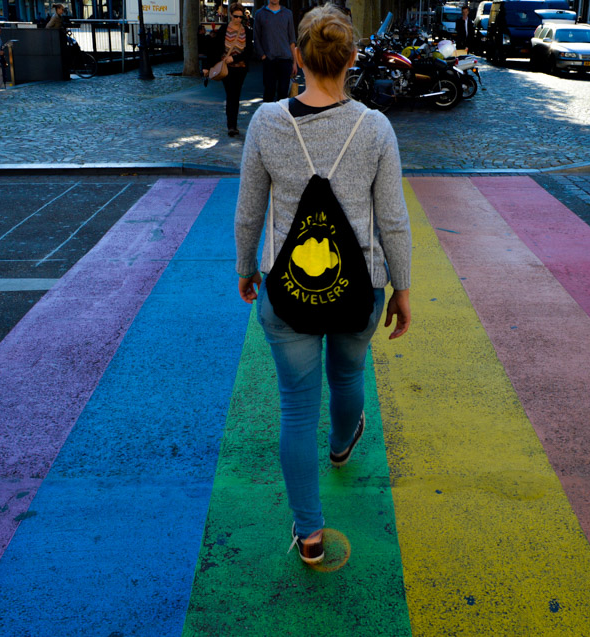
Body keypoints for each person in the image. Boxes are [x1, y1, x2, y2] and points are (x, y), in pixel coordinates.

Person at [234, 4, 412, 565]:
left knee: (294, 407)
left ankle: (308, 531)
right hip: (360, 286)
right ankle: (341, 445)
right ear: (352, 57)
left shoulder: (265, 122)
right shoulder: (376, 127)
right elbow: (394, 220)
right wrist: (402, 287)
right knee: (349, 373)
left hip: (287, 292)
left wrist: (247, 268)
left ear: (297, 56)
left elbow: (248, 212)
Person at [206, 3, 253, 136]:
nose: (238, 19)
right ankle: (231, 125)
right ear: (230, 15)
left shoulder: (247, 31)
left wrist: (235, 59)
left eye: (240, 17)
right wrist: (208, 67)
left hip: (240, 68)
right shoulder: (223, 30)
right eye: (235, 16)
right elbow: (215, 48)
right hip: (226, 68)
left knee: (235, 95)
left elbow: (249, 51)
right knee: (230, 94)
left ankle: (233, 124)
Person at [253, 0, 297, 102]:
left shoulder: (288, 13)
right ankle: (267, 117)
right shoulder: (260, 14)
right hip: (269, 59)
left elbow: (292, 39)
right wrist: (263, 56)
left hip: (285, 59)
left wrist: (294, 62)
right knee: (269, 92)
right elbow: (256, 37)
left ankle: (281, 117)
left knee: (284, 93)